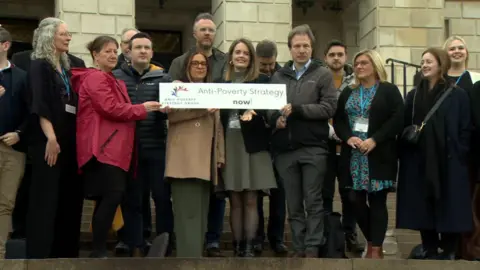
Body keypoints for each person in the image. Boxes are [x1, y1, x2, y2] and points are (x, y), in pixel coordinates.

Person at [71, 35, 164, 258]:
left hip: (115, 149)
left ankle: (100, 249)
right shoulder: (96, 78)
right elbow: (111, 108)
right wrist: (143, 108)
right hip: (104, 148)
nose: (113, 55)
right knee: (112, 195)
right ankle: (98, 250)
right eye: (107, 52)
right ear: (95, 55)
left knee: (111, 197)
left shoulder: (113, 80)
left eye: (115, 51)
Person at [267, 24, 337, 258]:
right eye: (297, 46)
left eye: (305, 45)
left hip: (313, 148)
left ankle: (312, 247)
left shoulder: (322, 74)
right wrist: (276, 119)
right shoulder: (278, 76)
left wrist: (297, 110)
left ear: (312, 47)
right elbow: (269, 111)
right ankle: (298, 247)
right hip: (285, 150)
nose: (301, 50)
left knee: (313, 200)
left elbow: (328, 108)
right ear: (290, 49)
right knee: (294, 204)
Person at [396, 47, 472, 260]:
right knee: (422, 203)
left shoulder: (457, 95)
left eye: (429, 61)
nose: (425, 65)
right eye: (422, 62)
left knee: (450, 203)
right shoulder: (413, 95)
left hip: (448, 159)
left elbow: (465, 128)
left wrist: (459, 151)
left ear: (441, 64)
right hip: (419, 159)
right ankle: (429, 246)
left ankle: (448, 249)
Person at [334, 49, 404, 259]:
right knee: (354, 199)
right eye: (356, 64)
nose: (359, 67)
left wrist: (375, 139)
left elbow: (397, 119)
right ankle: (372, 240)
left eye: (364, 63)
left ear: (375, 66)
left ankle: (376, 249)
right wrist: (348, 138)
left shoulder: (389, 90)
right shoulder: (348, 91)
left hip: (378, 154)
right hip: (354, 155)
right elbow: (338, 120)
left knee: (377, 201)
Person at [168, 12, 227, 257]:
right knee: (186, 216)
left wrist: (220, 155)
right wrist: (203, 107)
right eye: (196, 64)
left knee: (201, 216)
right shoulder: (176, 88)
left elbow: (218, 126)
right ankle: (186, 259)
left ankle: (196, 258)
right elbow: (171, 116)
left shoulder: (212, 89)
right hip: (184, 161)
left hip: (207, 162)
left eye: (204, 64)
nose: (201, 67)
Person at [25, 17, 84, 259]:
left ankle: (67, 254)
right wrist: (51, 138)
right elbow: (40, 104)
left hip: (71, 142)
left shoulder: (70, 66)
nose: (69, 38)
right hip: (49, 141)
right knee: (46, 199)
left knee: (70, 199)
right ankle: (41, 256)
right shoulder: (40, 65)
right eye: (64, 34)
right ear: (51, 38)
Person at [113, 32, 174, 256]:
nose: (143, 51)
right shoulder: (116, 77)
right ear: (128, 51)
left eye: (147, 48)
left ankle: (165, 243)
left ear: (152, 52)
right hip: (128, 149)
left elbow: (171, 112)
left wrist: (170, 110)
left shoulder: (164, 79)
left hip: (157, 146)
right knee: (133, 199)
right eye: (138, 47)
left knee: (162, 198)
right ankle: (136, 243)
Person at [217, 38, 277, 257]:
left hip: (254, 144)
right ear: (231, 57)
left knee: (252, 198)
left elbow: (272, 111)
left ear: (251, 58)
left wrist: (257, 112)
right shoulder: (219, 84)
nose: (241, 56)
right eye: (237, 52)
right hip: (229, 143)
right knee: (235, 199)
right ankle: (238, 245)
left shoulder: (263, 81)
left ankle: (250, 245)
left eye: (246, 53)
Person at [322, 40, 363, 253]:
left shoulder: (356, 81)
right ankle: (327, 235)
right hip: (324, 145)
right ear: (325, 58)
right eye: (332, 54)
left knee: (349, 193)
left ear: (346, 56)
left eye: (340, 54)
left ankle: (350, 233)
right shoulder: (319, 79)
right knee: (325, 193)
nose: (336, 58)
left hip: (349, 145)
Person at [442, 36, 480, 261]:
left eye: (460, 48)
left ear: (467, 52)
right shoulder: (438, 79)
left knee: (468, 201)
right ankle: (446, 246)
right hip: (441, 151)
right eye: (452, 48)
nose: (456, 51)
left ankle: (467, 247)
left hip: (469, 153)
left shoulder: (475, 79)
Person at [253, 39, 287, 256]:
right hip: (256, 140)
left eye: (270, 64)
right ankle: (256, 238)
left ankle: (277, 237)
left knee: (279, 193)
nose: (267, 69)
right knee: (256, 194)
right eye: (263, 65)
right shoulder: (251, 78)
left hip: (279, 142)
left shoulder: (284, 76)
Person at [0, 27, 29, 258]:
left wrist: (20, 133)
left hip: (12, 149)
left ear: (5, 46)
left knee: (5, 204)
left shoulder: (21, 76)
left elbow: (32, 112)